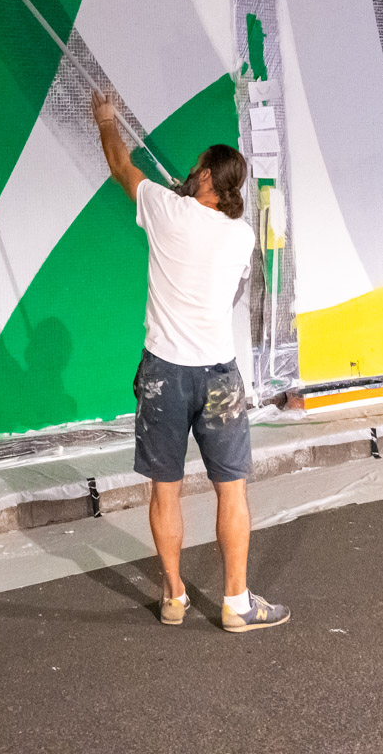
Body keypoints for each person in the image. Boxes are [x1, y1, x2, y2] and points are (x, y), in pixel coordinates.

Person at [91, 91, 291, 633]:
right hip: (219, 377)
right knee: (232, 488)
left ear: (206, 177)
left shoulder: (165, 209)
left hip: (164, 374)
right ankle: (236, 604)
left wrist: (107, 120)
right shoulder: (243, 235)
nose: (190, 169)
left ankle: (175, 596)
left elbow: (119, 164)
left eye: (197, 165)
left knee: (165, 488)